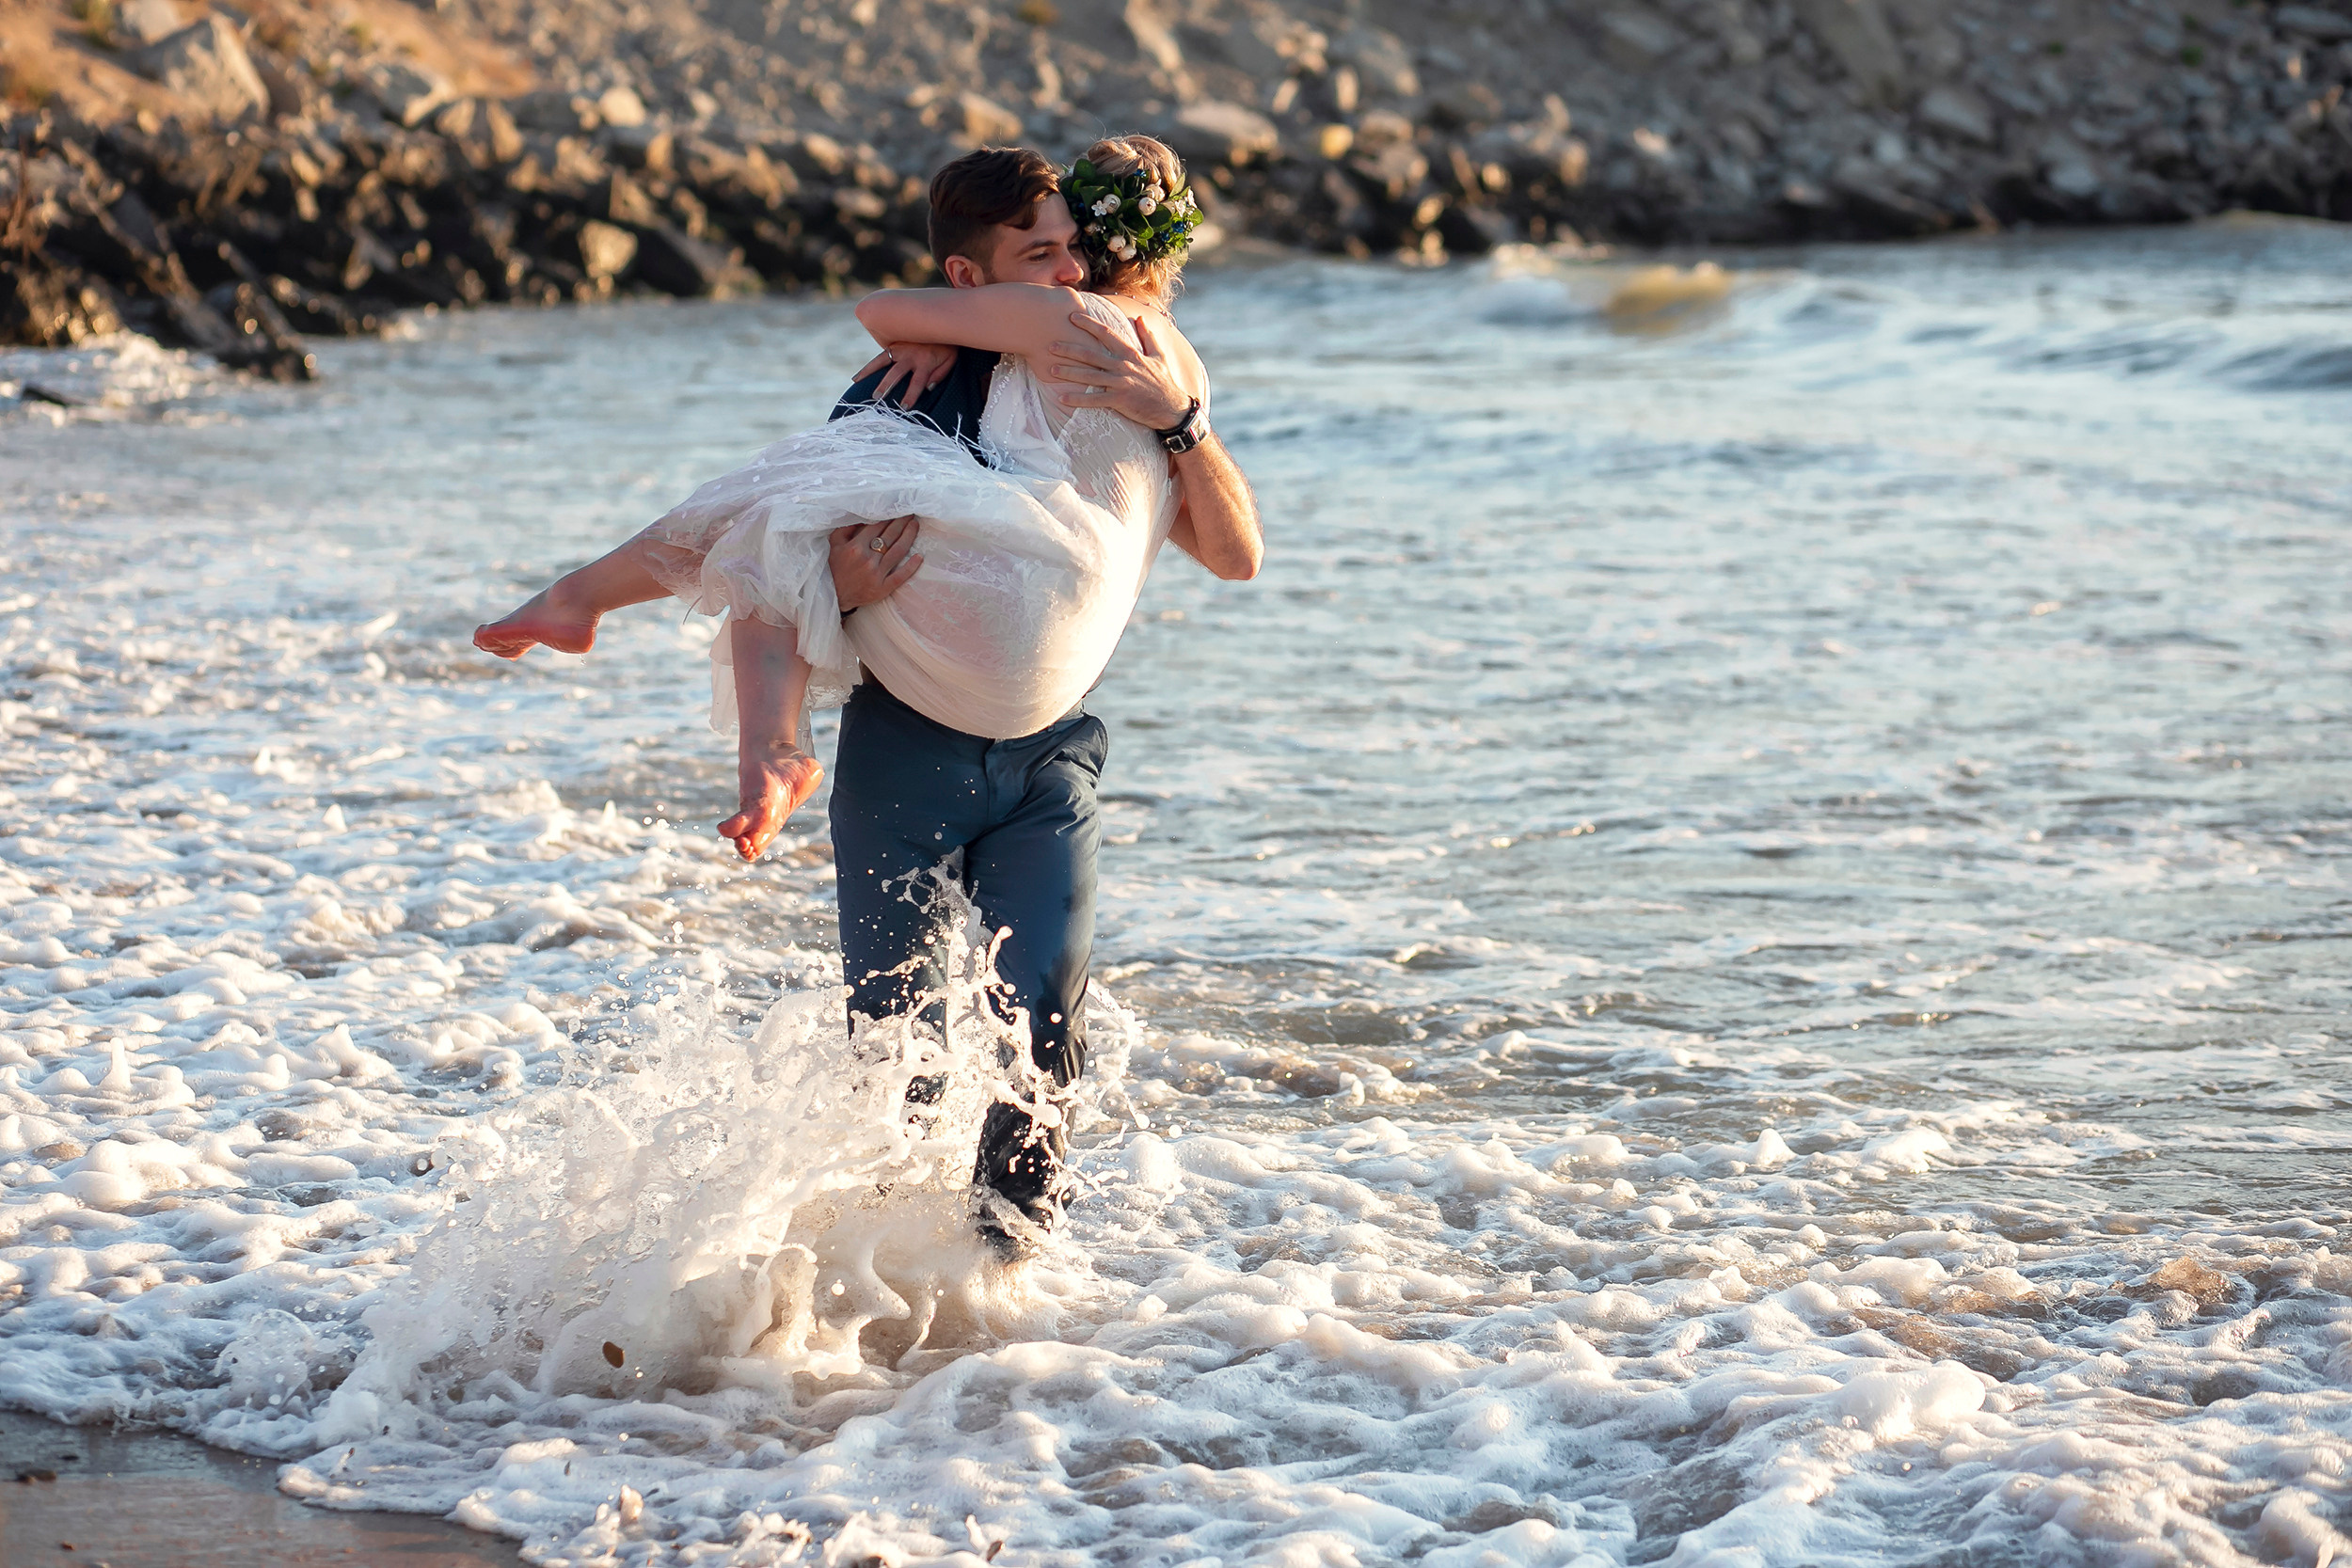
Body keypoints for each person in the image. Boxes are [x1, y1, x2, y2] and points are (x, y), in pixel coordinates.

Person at [474, 140, 1262, 1256]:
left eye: (1079, 248)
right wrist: (933, 336)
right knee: (893, 1035)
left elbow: (1235, 554)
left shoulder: (1140, 374)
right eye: (1046, 253)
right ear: (978, 282)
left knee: (1044, 1031)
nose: (1071, 270)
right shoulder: (948, 367)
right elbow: (879, 329)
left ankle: (1003, 1282)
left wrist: (1180, 418)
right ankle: (872, 1278)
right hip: (909, 744)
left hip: (1045, 759)